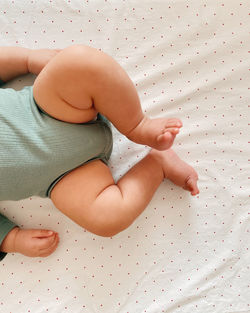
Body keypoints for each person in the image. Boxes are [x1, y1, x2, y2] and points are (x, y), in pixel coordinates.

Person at [0, 45, 199, 260]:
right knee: (106, 218)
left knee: (80, 63)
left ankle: (138, 125)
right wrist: (11, 240)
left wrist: (27, 60)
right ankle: (158, 165)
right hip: (62, 178)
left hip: (47, 111)